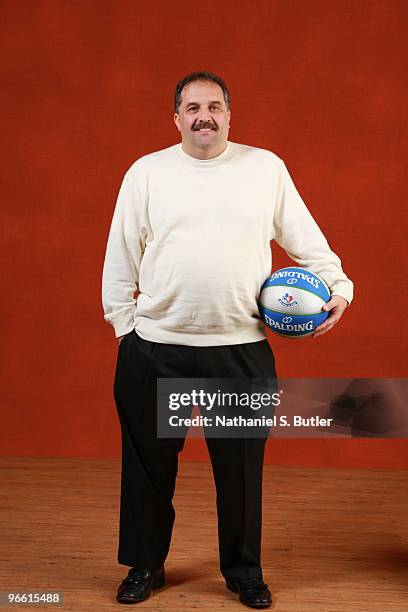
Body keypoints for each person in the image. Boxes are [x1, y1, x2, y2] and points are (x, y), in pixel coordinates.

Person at [101, 71, 353, 608]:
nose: (203, 116)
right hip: (156, 347)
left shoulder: (264, 169)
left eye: (214, 106)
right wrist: (126, 328)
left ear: (230, 115)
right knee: (148, 468)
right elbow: (120, 254)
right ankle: (145, 566)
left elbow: (307, 239)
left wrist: (339, 288)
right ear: (176, 119)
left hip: (239, 349)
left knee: (239, 471)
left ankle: (243, 571)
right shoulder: (147, 173)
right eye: (192, 107)